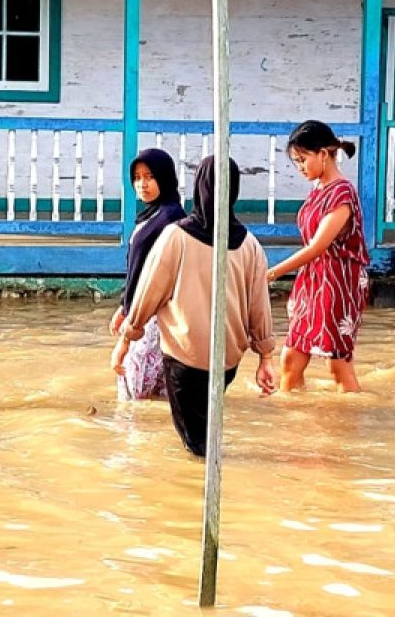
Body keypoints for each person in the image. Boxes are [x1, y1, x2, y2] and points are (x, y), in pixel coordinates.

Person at [111, 156, 277, 456]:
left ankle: (192, 490)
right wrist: (266, 357)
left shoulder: (176, 236)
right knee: (207, 430)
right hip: (227, 361)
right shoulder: (251, 245)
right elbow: (260, 306)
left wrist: (126, 339)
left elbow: (149, 293)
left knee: (195, 443)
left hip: (185, 359)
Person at [267, 120, 369, 393]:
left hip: (338, 283)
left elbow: (316, 247)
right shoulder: (319, 189)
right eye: (296, 161)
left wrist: (271, 273)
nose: (300, 167)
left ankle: (346, 427)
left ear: (324, 154)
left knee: (337, 363)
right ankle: (293, 422)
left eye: (303, 159)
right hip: (313, 280)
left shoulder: (343, 193)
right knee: (291, 357)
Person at [110, 148, 186, 400]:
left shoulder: (172, 216)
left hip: (155, 314)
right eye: (137, 177)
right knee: (144, 389)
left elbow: (159, 273)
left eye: (149, 177)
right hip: (139, 311)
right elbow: (136, 268)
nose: (142, 184)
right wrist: (124, 308)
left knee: (136, 390)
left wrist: (132, 315)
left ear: (164, 178)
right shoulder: (151, 214)